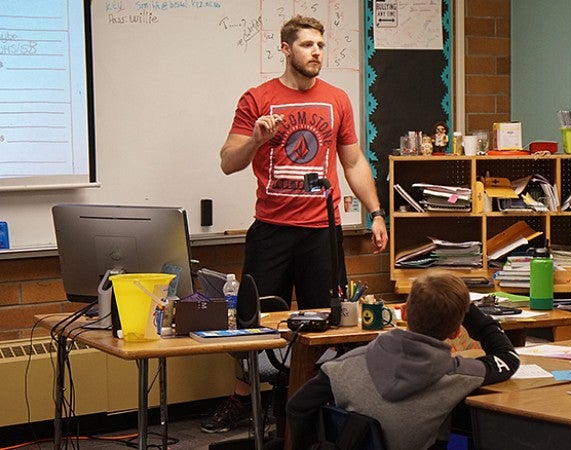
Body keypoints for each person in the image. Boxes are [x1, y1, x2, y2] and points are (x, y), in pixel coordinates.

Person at [202, 15, 389, 434]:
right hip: (271, 230)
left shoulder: (338, 99)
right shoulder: (258, 98)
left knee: (329, 323)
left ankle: (316, 407)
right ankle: (244, 399)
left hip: (322, 232)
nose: (316, 52)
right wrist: (257, 139)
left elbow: (354, 161)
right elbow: (228, 162)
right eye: (307, 45)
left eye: (320, 45)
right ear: (285, 50)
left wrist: (376, 212)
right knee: (255, 325)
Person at [286, 271, 520, 450]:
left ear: (404, 312)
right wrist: (471, 312)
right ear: (456, 332)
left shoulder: (346, 364)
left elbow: (297, 406)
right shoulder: (458, 375)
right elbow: (507, 358)